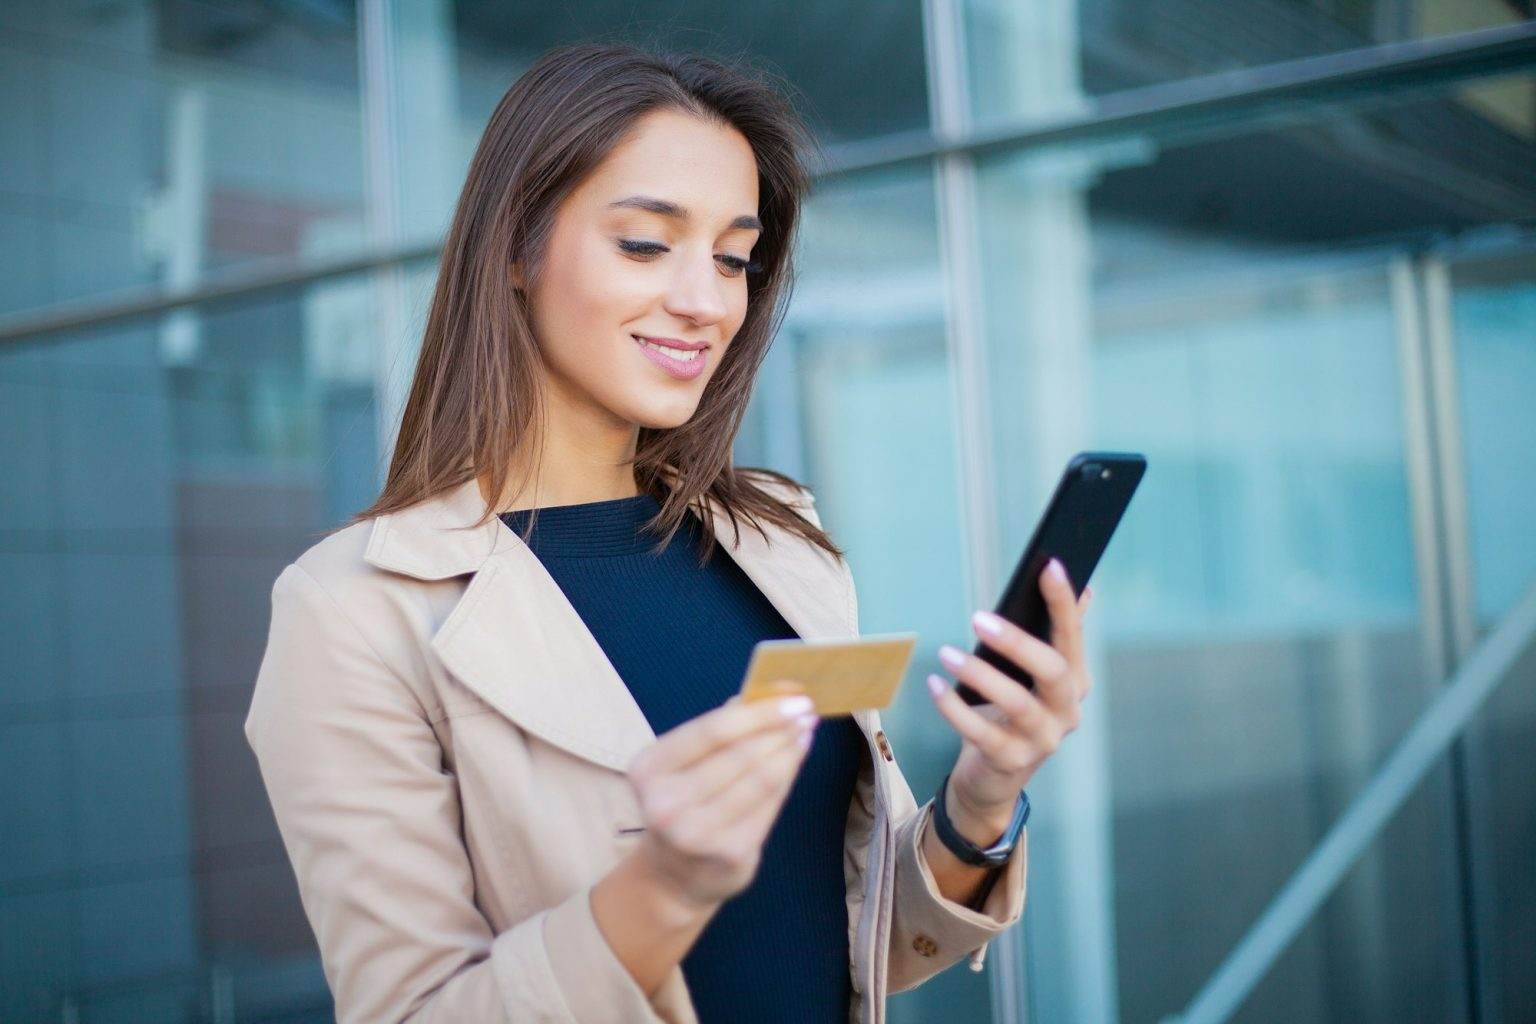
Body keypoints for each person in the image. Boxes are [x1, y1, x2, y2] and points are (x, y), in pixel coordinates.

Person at [245, 40, 1095, 1024]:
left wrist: (983, 801)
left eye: (735, 258)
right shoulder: (353, 611)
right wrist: (664, 887)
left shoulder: (779, 541)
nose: (705, 300)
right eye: (646, 244)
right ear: (516, 246)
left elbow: (845, 938)